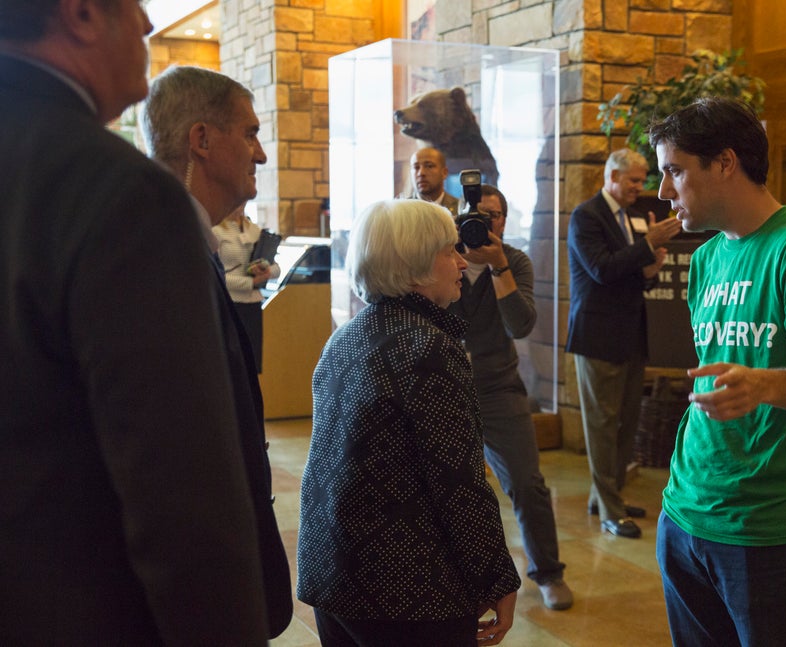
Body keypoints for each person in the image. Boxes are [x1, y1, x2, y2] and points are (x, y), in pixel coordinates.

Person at [0, 2, 271, 643]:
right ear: (83, 13)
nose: (150, 24)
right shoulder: (122, 192)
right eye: (135, 5)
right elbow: (180, 492)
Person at [648, 97, 786, 646]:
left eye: (674, 170)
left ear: (724, 163)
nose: (663, 191)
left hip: (770, 525)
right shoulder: (705, 258)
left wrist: (762, 383)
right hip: (686, 511)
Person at [297, 199, 521, 647]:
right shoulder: (427, 347)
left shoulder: (347, 335)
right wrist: (496, 577)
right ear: (414, 266)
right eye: (448, 251)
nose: (461, 261)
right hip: (404, 587)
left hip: (332, 570)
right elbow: (458, 482)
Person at [142, 65, 293, 637]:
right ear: (201, 140)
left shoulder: (185, 239)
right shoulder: (159, 249)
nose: (259, 154)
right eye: (249, 133)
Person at [448, 184, 573, 610]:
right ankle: (458, 579)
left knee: (526, 482)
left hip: (498, 386)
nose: (486, 223)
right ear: (461, 216)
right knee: (450, 486)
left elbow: (520, 326)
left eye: (495, 215)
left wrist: (498, 265)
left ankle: (548, 572)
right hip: (443, 386)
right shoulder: (443, 256)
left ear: (504, 219)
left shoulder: (514, 260)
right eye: (478, 215)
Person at [566, 148, 682, 539]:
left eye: (643, 178)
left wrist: (650, 270)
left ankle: (607, 497)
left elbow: (630, 274)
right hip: (598, 337)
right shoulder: (587, 216)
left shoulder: (633, 216)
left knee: (625, 425)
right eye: (634, 179)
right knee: (601, 426)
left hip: (632, 335)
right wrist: (648, 246)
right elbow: (601, 269)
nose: (641, 186)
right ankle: (610, 512)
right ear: (612, 176)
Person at [213, 204, 281, 372]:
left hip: (252, 304)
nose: (240, 205)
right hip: (230, 303)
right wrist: (249, 283)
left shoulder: (254, 229)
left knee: (251, 362)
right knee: (231, 363)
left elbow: (276, 267)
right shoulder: (216, 231)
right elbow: (216, 275)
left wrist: (267, 272)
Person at [398, 146, 460, 215]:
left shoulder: (461, 208)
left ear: (444, 173)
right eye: (416, 167)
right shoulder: (401, 211)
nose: (421, 173)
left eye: (429, 166)